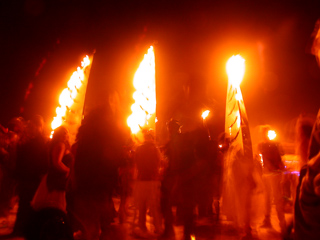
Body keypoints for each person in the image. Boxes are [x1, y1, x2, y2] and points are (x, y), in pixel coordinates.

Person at [28, 125, 74, 240]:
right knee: (56, 208)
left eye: (66, 132)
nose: (66, 135)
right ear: (59, 134)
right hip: (56, 180)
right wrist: (69, 170)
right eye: (63, 132)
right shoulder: (60, 144)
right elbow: (57, 163)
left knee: (52, 208)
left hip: (54, 178)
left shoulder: (55, 144)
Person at [13, 115, 48, 237]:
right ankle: (22, 229)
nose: (31, 128)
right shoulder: (34, 141)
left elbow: (41, 160)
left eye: (34, 126)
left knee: (28, 204)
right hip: (28, 177)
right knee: (25, 203)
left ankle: (23, 229)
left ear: (39, 127)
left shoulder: (39, 142)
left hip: (33, 178)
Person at [133, 129, 162, 237]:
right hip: (152, 180)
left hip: (141, 180)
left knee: (141, 206)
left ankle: (141, 226)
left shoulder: (139, 149)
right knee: (154, 206)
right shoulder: (155, 149)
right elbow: (159, 163)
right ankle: (158, 228)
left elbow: (136, 162)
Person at [258, 125, 286, 234]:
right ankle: (268, 220)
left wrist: (276, 167)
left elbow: (279, 156)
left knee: (276, 198)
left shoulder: (272, 144)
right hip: (268, 173)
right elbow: (265, 158)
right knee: (267, 198)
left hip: (273, 174)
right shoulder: (264, 145)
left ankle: (282, 224)